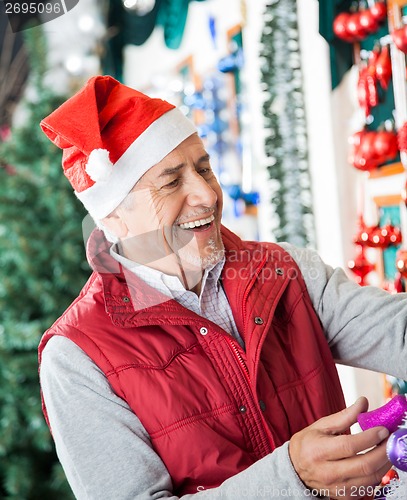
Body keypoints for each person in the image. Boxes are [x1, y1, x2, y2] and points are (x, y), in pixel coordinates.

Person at [38, 75, 406, 500]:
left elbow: (397, 332)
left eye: (204, 168)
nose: (207, 195)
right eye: (172, 181)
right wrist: (293, 478)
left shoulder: (284, 270)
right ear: (114, 217)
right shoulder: (77, 358)